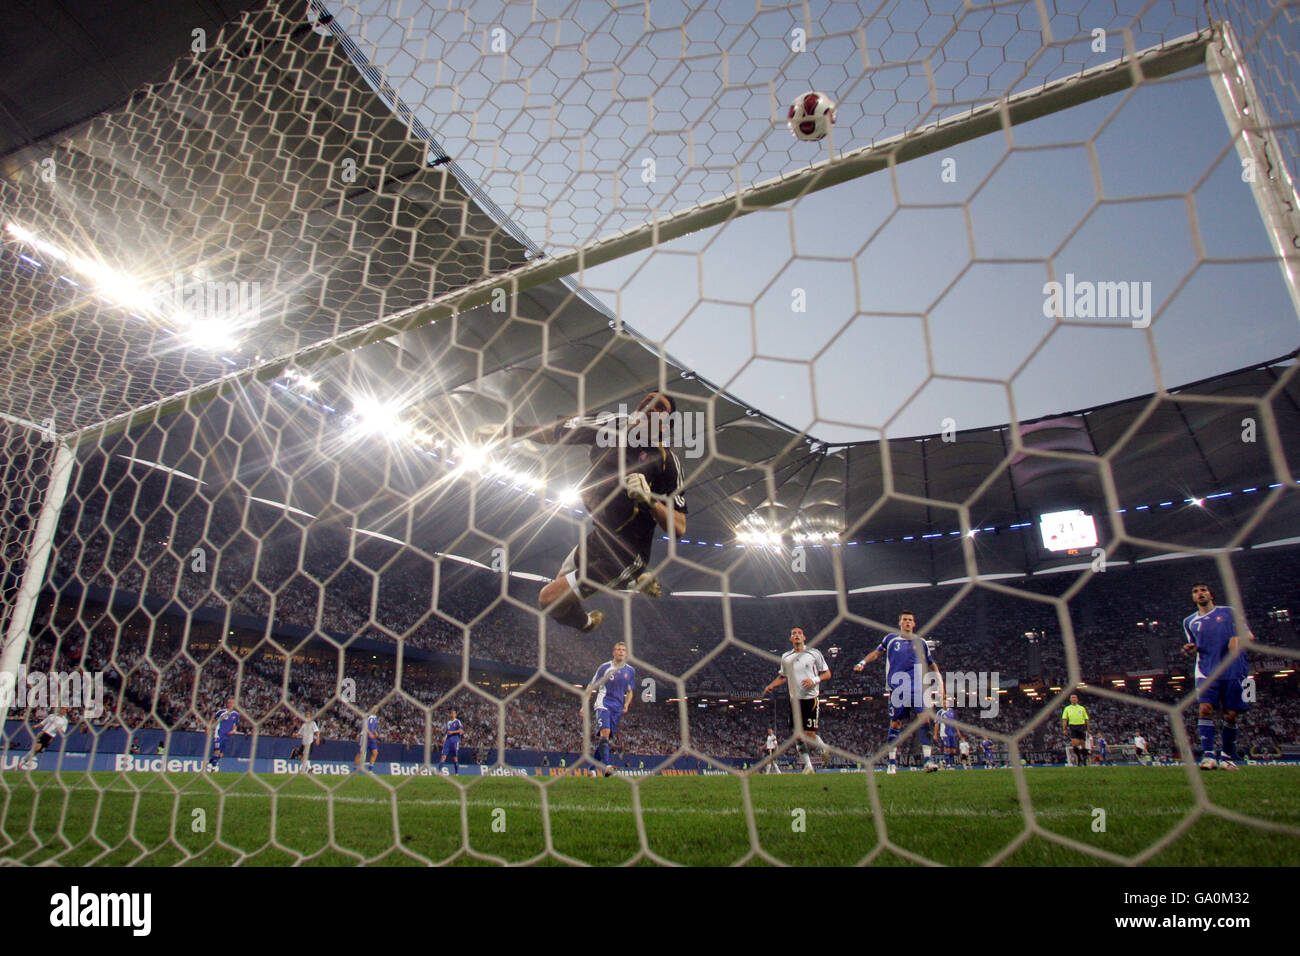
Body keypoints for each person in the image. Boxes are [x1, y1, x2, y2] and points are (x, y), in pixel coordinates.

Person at [476, 392, 687, 634]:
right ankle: (588, 622)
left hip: (626, 553)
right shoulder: (612, 423)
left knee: (548, 598)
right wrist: (507, 432)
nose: (650, 406)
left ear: (665, 426)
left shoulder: (667, 462)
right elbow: (557, 432)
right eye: (647, 400)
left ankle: (630, 577)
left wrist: (650, 501)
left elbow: (679, 527)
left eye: (660, 407)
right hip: (599, 537)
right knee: (558, 603)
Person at [854, 612, 942, 774]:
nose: (907, 622)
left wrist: (939, 681)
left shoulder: (921, 642)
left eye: (910, 620)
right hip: (898, 688)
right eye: (904, 620)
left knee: (925, 719)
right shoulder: (891, 639)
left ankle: (928, 761)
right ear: (900, 623)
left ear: (914, 624)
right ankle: (892, 763)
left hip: (918, 688)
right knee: (895, 724)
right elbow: (876, 653)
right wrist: (862, 662)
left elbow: (931, 664)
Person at [1182, 582, 1251, 769]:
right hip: (1205, 670)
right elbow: (1195, 644)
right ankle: (1208, 756)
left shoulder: (1229, 612)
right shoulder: (1189, 622)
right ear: (1193, 597)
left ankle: (1227, 758)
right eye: (1195, 591)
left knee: (1231, 715)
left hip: (1234, 670)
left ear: (1211, 594)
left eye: (1203, 590)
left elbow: (1249, 636)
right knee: (1204, 709)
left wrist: (1238, 638)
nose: (1199, 593)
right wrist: (1191, 647)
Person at [761, 627, 831, 775]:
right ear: (790, 639)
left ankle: (823, 748)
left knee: (809, 734)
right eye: (793, 634)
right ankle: (808, 766)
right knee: (798, 735)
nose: (796, 635)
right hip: (794, 700)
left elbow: (827, 673)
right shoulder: (786, 657)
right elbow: (783, 676)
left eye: (799, 633)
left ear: (804, 637)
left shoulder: (813, 653)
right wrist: (771, 685)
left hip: (810, 699)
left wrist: (814, 679)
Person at [588, 642, 635, 776]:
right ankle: (607, 766)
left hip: (617, 707)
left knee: (606, 739)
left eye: (623, 650)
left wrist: (626, 704)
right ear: (613, 652)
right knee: (605, 732)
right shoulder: (604, 668)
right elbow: (591, 686)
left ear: (626, 653)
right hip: (603, 704)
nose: (621, 652)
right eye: (618, 649)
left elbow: (630, 691)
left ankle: (592, 769)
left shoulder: (630, 671)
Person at [208, 697, 240, 772]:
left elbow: (236, 724)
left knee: (221, 754)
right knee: (217, 750)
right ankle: (214, 767)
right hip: (219, 734)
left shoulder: (236, 714)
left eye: (232, 703)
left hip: (227, 735)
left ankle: (210, 762)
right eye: (229, 703)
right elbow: (212, 719)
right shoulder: (221, 712)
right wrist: (208, 728)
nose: (230, 704)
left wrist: (234, 730)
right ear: (227, 704)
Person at [1062, 694, 1089, 767]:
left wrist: (1088, 730)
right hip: (1073, 727)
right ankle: (1079, 758)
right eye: (1072, 698)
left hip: (1081, 726)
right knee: (1075, 744)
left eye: (1075, 698)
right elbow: (1065, 719)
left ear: (1077, 699)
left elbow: (1086, 719)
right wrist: (1064, 729)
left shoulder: (1082, 708)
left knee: (1083, 744)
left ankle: (1085, 758)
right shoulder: (1067, 708)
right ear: (1070, 700)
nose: (1073, 699)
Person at [935, 698, 960, 769]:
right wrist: (935, 734)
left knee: (954, 750)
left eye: (947, 703)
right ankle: (949, 765)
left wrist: (958, 731)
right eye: (945, 703)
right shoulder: (940, 712)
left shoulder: (952, 711)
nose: (946, 704)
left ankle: (943, 761)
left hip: (952, 733)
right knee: (947, 748)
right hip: (944, 733)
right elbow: (936, 724)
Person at [439, 709, 464, 775]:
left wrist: (453, 732)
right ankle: (439, 772)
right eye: (451, 713)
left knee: (455, 758)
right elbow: (447, 732)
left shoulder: (457, 721)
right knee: (443, 756)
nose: (452, 715)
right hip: (447, 742)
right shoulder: (448, 722)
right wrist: (444, 738)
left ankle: (456, 772)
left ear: (455, 715)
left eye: (453, 713)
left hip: (454, 741)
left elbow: (460, 730)